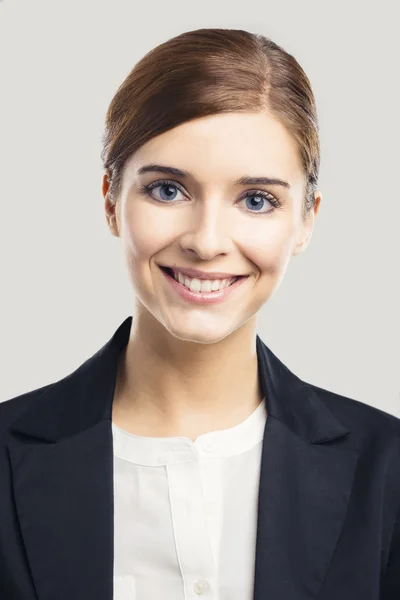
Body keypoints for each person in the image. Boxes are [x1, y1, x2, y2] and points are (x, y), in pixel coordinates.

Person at [1, 28, 399, 600]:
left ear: (307, 218)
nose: (207, 242)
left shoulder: (386, 471)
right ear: (111, 200)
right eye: (167, 190)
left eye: (256, 200)